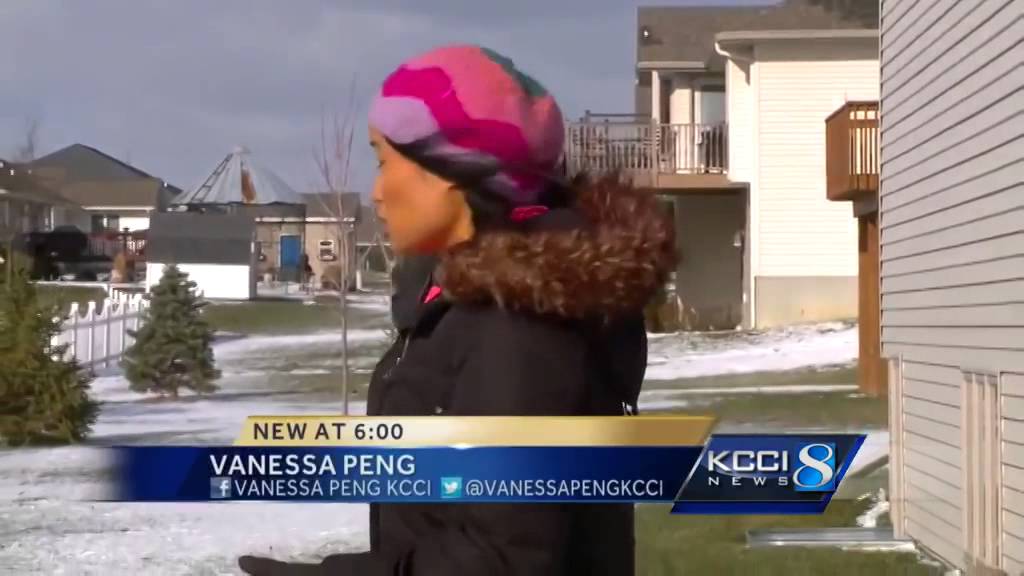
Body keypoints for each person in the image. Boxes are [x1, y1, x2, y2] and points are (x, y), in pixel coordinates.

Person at [239, 44, 674, 576]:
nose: (375, 192)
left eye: (383, 162)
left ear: (450, 170)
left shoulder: (518, 324)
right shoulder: (459, 302)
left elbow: (503, 556)